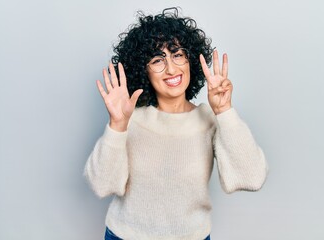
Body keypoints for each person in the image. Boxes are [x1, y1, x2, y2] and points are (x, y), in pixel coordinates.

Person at [84, 7, 268, 240]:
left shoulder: (208, 120)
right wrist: (117, 125)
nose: (171, 68)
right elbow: (102, 185)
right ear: (144, 70)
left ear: (190, 59)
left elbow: (251, 177)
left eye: (177, 54)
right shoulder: (131, 118)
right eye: (157, 60)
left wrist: (224, 111)